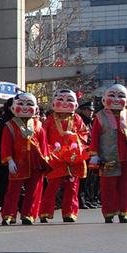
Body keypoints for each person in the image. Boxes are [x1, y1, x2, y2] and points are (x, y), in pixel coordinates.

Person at [0, 92, 49, 225]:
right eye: (21, 104)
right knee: (13, 190)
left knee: (34, 190)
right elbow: (6, 144)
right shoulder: (10, 125)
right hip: (18, 161)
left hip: (35, 162)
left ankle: (29, 214)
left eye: (30, 104)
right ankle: (9, 214)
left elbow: (44, 145)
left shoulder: (38, 125)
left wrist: (46, 161)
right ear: (13, 108)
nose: (25, 107)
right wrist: (9, 160)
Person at [40, 89, 88, 223]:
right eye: (61, 100)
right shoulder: (49, 120)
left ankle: (70, 213)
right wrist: (49, 150)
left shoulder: (77, 119)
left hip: (73, 158)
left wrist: (75, 139)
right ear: (54, 103)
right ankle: (45, 212)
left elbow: (84, 134)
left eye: (69, 100)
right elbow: (43, 137)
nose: (65, 103)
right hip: (55, 157)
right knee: (52, 186)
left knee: (72, 187)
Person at [88, 84, 127, 223]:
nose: (116, 99)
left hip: (125, 158)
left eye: (121, 96)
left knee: (125, 187)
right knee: (108, 187)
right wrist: (94, 154)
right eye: (112, 95)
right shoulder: (100, 116)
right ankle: (109, 213)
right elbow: (95, 137)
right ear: (104, 99)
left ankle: (124, 212)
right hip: (107, 158)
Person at [77, 100, 98, 209]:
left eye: (91, 110)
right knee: (83, 178)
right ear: (83, 110)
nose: (90, 112)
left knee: (90, 178)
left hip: (90, 152)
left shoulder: (89, 121)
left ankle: (88, 198)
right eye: (88, 110)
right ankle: (81, 199)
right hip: (82, 152)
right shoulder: (80, 120)